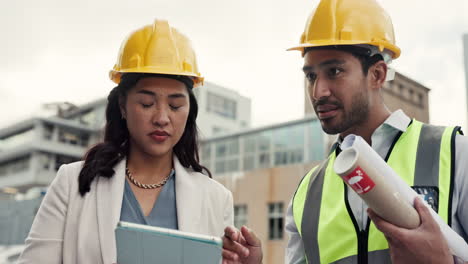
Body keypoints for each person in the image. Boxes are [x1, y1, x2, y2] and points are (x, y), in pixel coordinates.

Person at [222, 0, 468, 263]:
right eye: (311, 77)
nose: (318, 92)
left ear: (377, 74)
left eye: (334, 71)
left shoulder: (453, 153)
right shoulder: (306, 193)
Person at [18, 20, 234, 264]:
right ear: (122, 105)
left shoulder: (216, 198)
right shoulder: (71, 183)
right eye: (146, 104)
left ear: (189, 110)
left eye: (175, 106)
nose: (162, 118)